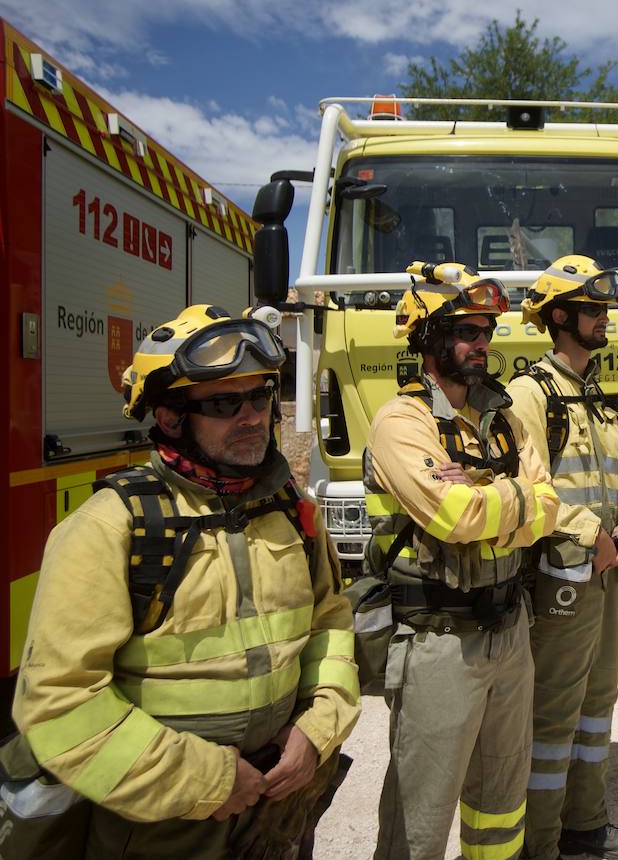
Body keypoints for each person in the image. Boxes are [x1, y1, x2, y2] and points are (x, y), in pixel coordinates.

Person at [12, 304, 359, 857]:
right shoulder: (110, 527)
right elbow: (58, 703)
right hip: (163, 825)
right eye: (224, 402)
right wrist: (208, 780)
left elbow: (331, 627)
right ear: (171, 417)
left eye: (261, 397)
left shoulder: (290, 510)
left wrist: (317, 732)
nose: (252, 416)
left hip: (280, 806)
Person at [365, 265, 561, 860]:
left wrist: (479, 484)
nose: (481, 344)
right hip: (438, 640)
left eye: (486, 331)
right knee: (421, 809)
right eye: (465, 331)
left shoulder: (506, 418)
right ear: (427, 339)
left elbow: (550, 507)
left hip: (510, 628)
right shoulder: (400, 422)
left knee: (501, 797)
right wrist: (506, 495)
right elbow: (454, 518)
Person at [508, 255, 618, 860]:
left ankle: (584, 823)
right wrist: (595, 532)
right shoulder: (529, 394)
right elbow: (529, 488)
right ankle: (540, 843)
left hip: (607, 569)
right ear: (559, 316)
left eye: (605, 309)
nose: (603, 319)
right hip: (564, 577)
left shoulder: (590, 392)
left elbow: (617, 480)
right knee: (554, 710)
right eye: (593, 310)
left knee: (599, 700)